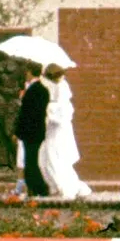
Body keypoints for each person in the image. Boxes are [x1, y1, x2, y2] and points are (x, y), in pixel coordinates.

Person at [40, 66, 92, 200]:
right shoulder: (57, 88)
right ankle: (60, 185)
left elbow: (60, 114)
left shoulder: (61, 90)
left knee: (55, 159)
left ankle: (65, 187)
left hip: (56, 131)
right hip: (53, 131)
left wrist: (49, 109)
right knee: (49, 158)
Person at [14, 64, 51, 198]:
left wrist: (18, 132)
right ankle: (34, 188)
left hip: (30, 132)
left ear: (30, 72)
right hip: (38, 131)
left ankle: (40, 188)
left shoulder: (32, 90)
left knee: (30, 162)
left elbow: (26, 114)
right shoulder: (43, 90)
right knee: (31, 160)